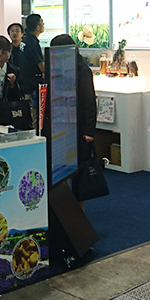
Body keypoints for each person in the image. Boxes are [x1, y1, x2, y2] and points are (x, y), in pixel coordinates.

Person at [49, 34, 97, 201]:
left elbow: (89, 101)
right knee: (62, 168)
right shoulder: (57, 70)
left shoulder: (82, 70)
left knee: (80, 172)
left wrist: (89, 130)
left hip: (79, 127)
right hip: (62, 125)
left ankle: (78, 207)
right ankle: (67, 205)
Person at [18, 14, 45, 118]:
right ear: (37, 27)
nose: (43, 25)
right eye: (42, 23)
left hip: (26, 85)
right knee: (35, 118)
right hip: (33, 86)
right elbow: (42, 67)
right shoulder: (33, 43)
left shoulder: (25, 40)